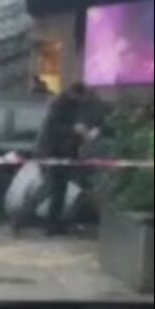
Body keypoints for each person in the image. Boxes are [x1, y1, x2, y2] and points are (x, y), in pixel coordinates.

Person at [11, 82, 98, 235]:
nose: (82, 100)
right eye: (81, 96)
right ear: (74, 93)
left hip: (62, 152)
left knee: (59, 190)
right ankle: (19, 219)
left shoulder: (71, 104)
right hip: (51, 152)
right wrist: (75, 131)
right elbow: (54, 128)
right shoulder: (60, 104)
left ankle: (53, 225)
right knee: (49, 187)